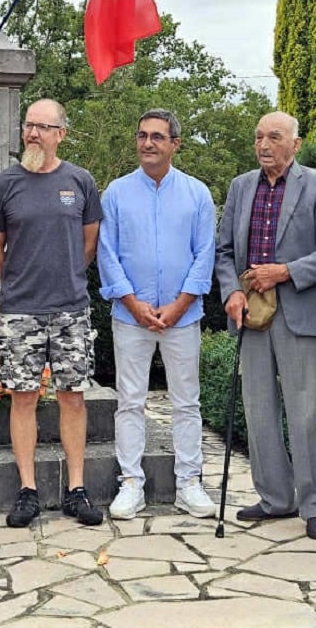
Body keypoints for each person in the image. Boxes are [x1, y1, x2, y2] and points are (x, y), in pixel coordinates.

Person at [214, 111, 316, 541]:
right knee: (258, 409)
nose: (263, 144)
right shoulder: (241, 186)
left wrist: (284, 271)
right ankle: (275, 498)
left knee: (309, 411)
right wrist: (231, 292)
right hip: (250, 314)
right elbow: (224, 251)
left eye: (274, 136)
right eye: (258, 137)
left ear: (296, 144)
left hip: (300, 312)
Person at [0, 99, 105, 528]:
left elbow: (88, 244)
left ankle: (77, 489)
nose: (33, 134)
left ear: (61, 134)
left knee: (73, 397)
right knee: (23, 397)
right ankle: (28, 490)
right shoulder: (2, 185)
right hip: (21, 311)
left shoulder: (81, 181)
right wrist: (22, 282)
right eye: (28, 125)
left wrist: (64, 277)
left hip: (71, 310)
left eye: (43, 127)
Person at [98, 109, 217, 520]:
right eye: (142, 135)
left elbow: (205, 254)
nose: (148, 143)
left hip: (183, 316)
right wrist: (133, 303)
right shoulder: (116, 193)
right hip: (130, 315)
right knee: (130, 401)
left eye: (157, 137)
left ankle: (189, 483)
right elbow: (107, 253)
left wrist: (180, 304)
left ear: (175, 144)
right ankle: (131, 483)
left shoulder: (197, 194)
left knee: (186, 402)